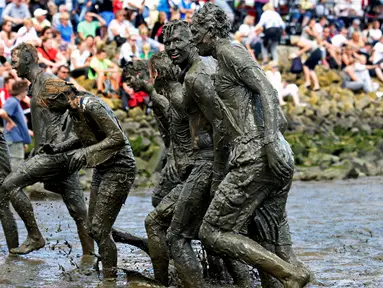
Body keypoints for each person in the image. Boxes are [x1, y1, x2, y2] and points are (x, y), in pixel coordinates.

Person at [191, 4, 310, 287]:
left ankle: (291, 276)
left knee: (212, 231)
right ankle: (291, 275)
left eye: (196, 32)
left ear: (210, 31)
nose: (195, 39)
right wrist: (274, 143)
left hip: (256, 155)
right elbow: (277, 116)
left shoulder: (230, 52)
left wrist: (266, 142)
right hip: (273, 154)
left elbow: (267, 90)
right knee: (271, 240)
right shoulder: (226, 57)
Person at [162, 20, 249, 288]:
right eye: (167, 43)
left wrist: (218, 173)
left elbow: (222, 123)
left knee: (177, 236)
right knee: (216, 232)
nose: (171, 48)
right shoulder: (199, 71)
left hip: (211, 161)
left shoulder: (198, 75)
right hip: (214, 160)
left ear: (193, 40)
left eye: (178, 41)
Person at [33, 70, 136, 280]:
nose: (51, 113)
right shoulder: (73, 109)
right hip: (103, 168)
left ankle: (109, 279)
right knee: (94, 227)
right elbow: (84, 138)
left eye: (51, 106)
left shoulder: (90, 105)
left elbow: (118, 138)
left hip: (120, 167)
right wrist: (58, 147)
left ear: (61, 97)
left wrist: (86, 153)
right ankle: (141, 245)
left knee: (99, 228)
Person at [2, 43, 94, 256]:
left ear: (26, 59)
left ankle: (35, 236)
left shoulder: (48, 82)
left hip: (55, 155)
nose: (12, 66)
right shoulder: (35, 85)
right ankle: (90, 258)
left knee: (9, 185)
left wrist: (73, 139)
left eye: (14, 61)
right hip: (57, 154)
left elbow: (82, 102)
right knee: (80, 212)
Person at [2, 80, 31, 169]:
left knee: (17, 163)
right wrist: (10, 121)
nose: (27, 92)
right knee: (15, 164)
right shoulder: (12, 101)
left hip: (17, 139)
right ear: (22, 91)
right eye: (26, 90)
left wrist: (23, 141)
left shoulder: (16, 102)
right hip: (13, 139)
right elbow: (2, 112)